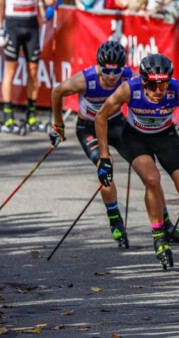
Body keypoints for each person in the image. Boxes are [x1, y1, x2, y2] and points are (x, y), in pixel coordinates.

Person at [95, 54, 179, 269]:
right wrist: (104, 155)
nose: (158, 91)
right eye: (152, 85)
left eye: (162, 84)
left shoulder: (175, 88)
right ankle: (159, 236)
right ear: (144, 80)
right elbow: (101, 115)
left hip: (165, 136)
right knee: (152, 180)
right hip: (135, 138)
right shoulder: (129, 88)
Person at [49, 41, 137, 248]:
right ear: (99, 66)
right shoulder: (86, 80)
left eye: (117, 71)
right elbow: (56, 92)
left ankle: (164, 223)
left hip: (115, 123)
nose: (111, 76)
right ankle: (115, 221)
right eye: (106, 70)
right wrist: (58, 126)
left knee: (144, 163)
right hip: (88, 129)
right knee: (105, 168)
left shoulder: (128, 76)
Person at [0, 0, 55, 134]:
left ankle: (31, 114)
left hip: (31, 26)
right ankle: (8, 115)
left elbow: (48, 1)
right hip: (13, 26)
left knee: (33, 71)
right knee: (10, 72)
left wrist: (53, 3)